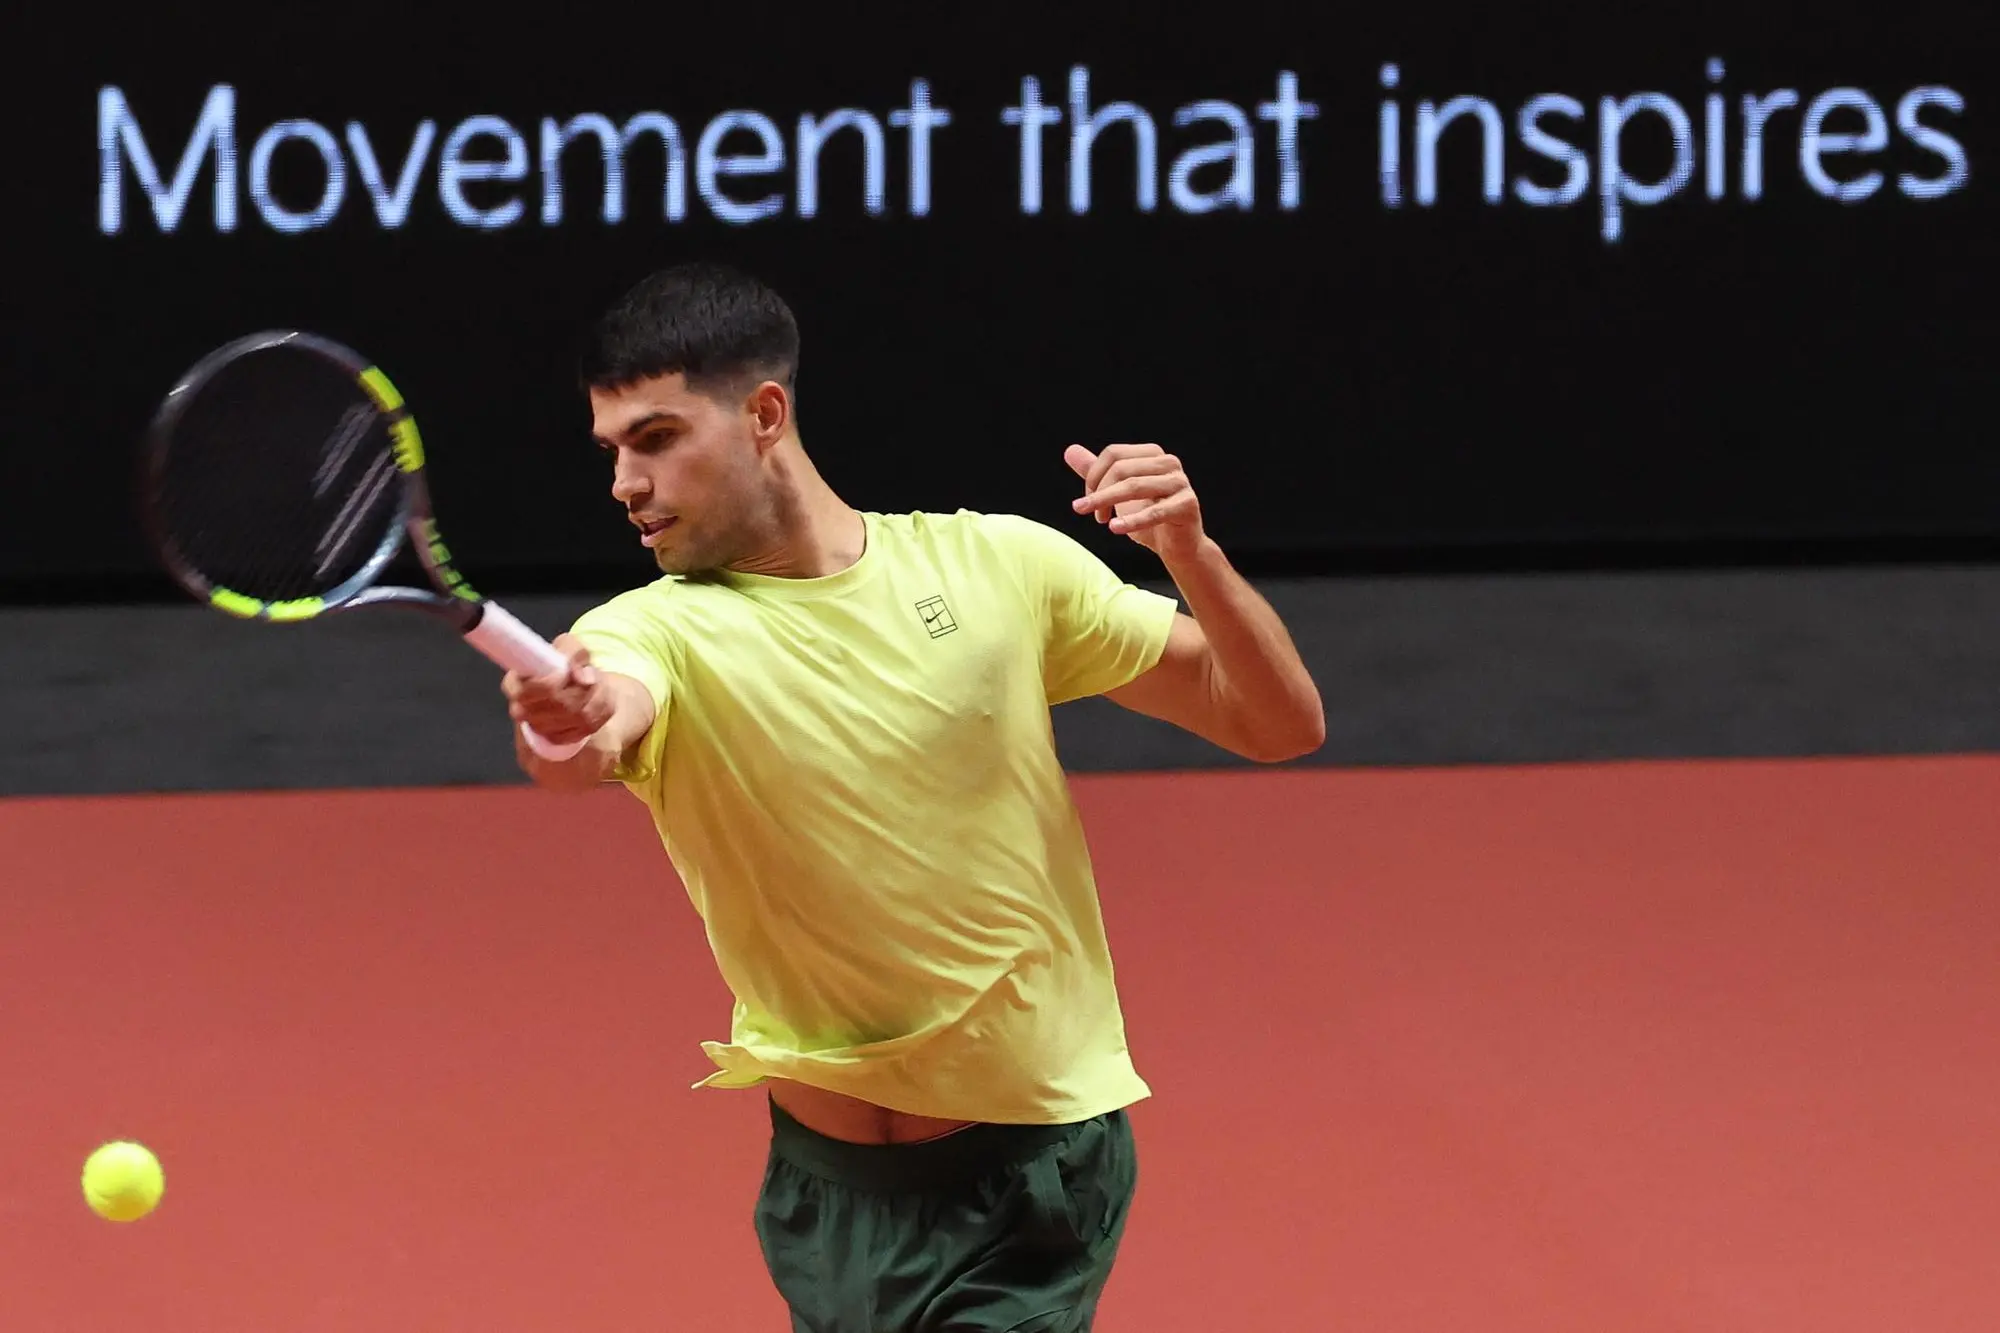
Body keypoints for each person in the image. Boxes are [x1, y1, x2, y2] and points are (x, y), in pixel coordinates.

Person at [502, 262, 1324, 1333]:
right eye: (610, 449)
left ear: (763, 414)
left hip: (1025, 1177)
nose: (623, 481)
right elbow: (596, 719)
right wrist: (562, 720)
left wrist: (1190, 552)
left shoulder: (998, 568)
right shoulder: (652, 630)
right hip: (824, 1197)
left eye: (655, 438)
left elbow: (1274, 721)